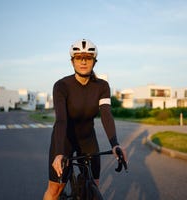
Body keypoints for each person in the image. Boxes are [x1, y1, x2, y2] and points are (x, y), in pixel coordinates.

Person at [43, 39, 127, 200]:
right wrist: (59, 153)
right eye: (78, 57)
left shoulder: (102, 87)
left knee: (93, 186)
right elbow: (61, 120)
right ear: (72, 61)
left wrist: (115, 144)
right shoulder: (61, 86)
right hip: (64, 139)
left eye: (88, 57)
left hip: (87, 138)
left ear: (94, 61)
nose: (83, 61)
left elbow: (106, 114)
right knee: (55, 190)